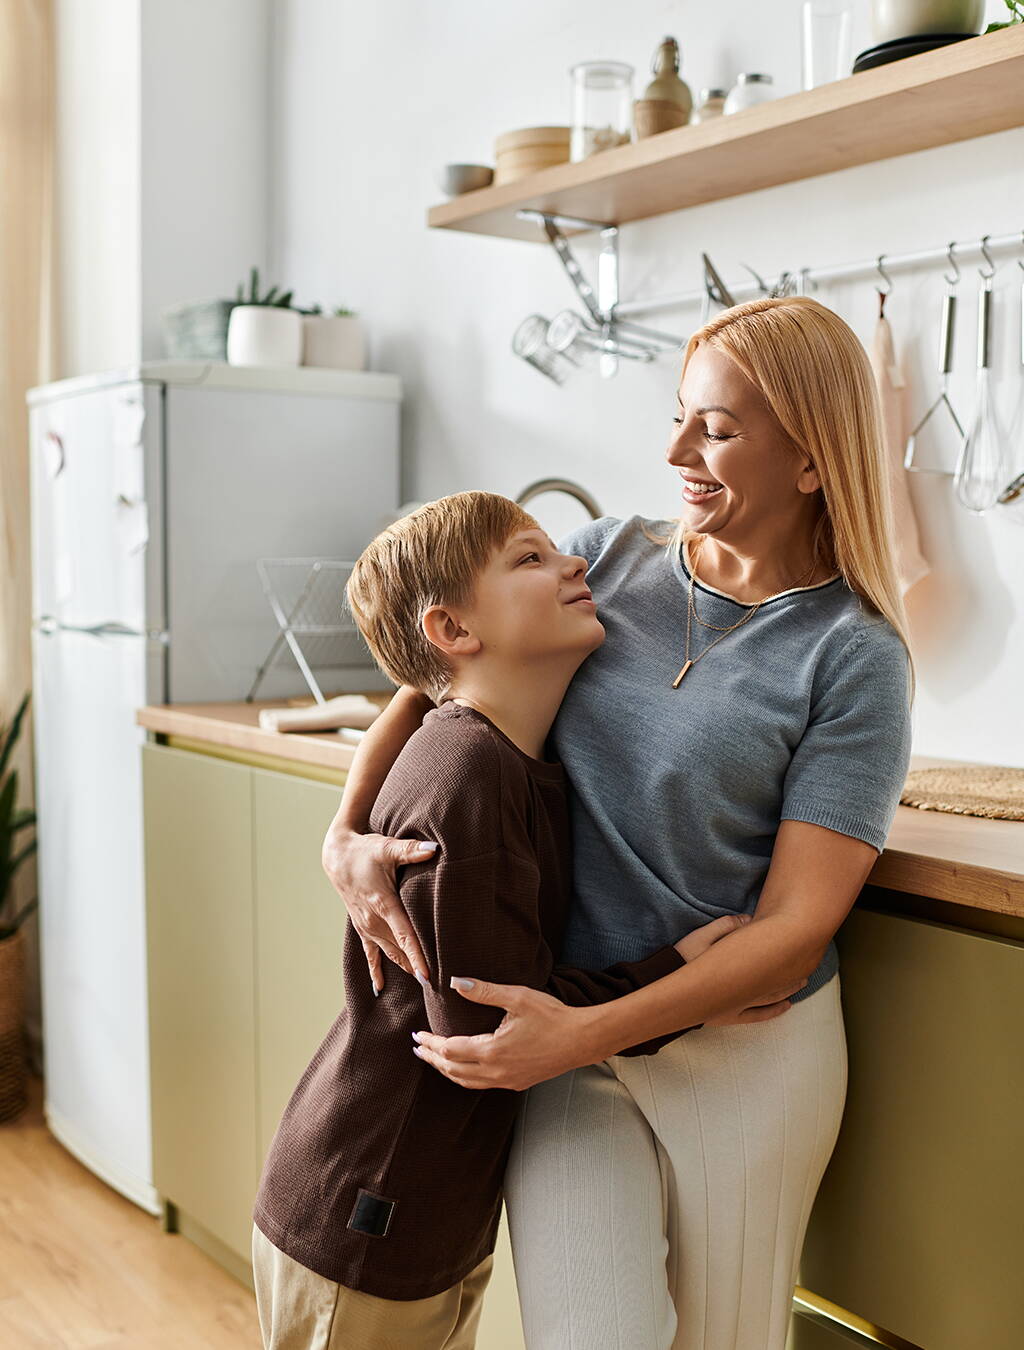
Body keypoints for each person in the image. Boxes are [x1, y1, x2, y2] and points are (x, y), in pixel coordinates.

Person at [320, 295, 916, 1350]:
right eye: (680, 414)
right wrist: (344, 834)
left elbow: (792, 930)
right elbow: (427, 688)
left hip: (738, 1056)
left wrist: (582, 1030)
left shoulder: (853, 656)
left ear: (813, 462)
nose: (676, 447)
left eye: (718, 427)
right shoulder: (606, 558)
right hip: (566, 1045)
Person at [250, 490, 797, 1350]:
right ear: (454, 632)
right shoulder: (470, 774)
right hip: (370, 1213)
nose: (576, 563)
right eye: (530, 559)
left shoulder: (498, 757)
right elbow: (485, 1029)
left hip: (409, 1204)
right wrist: (677, 979)